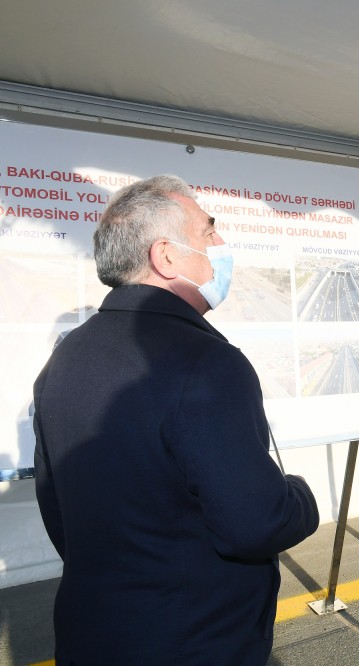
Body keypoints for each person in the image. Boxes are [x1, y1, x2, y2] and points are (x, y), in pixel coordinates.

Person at [32, 175, 320, 665]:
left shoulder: (66, 357)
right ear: (165, 256)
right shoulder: (206, 362)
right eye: (209, 231)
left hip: (92, 633)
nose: (220, 244)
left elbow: (56, 507)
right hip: (194, 641)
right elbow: (256, 523)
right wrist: (300, 496)